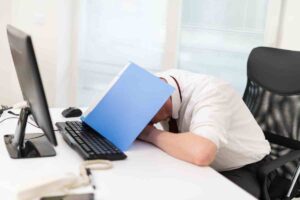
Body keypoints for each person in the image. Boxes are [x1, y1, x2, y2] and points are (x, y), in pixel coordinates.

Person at [138, 69, 271, 198]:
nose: (148, 124)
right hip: (199, 164)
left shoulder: (212, 91)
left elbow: (202, 152)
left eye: (149, 120)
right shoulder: (157, 84)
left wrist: (149, 133)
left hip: (244, 167)